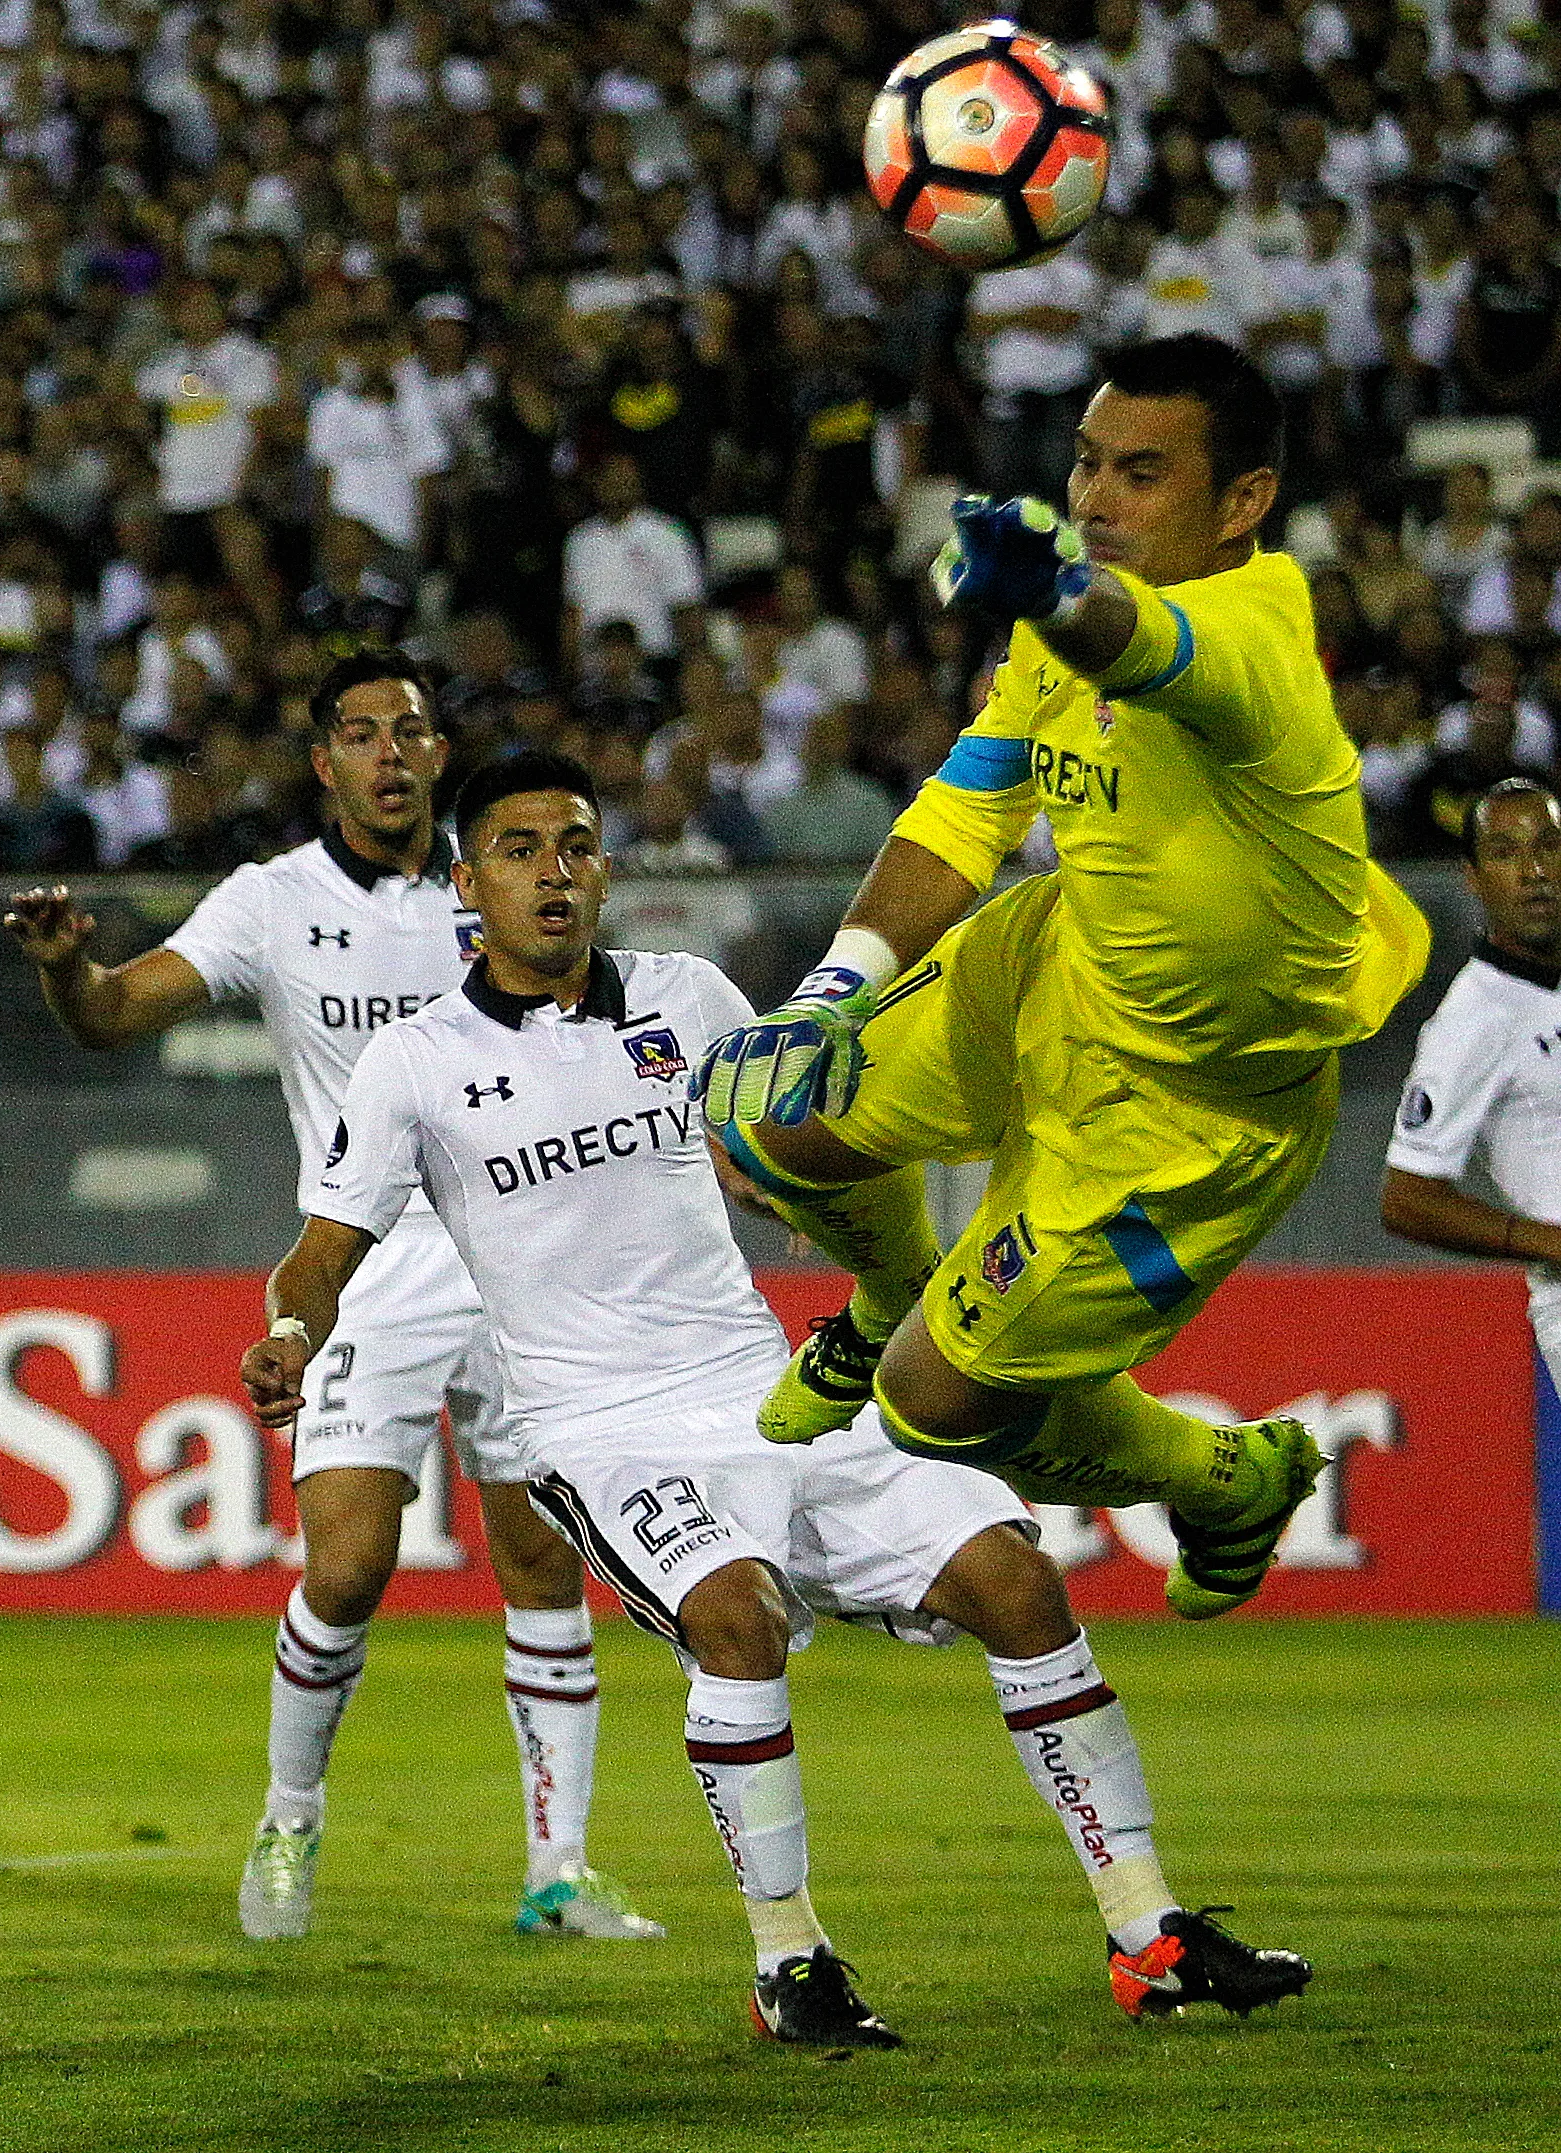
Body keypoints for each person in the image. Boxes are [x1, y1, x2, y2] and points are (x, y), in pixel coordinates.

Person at [243, 746, 1313, 2046]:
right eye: (519, 850)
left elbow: (777, 1135)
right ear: (466, 884)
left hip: (764, 1390)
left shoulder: (689, 998)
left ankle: (1146, 1931)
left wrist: (806, 1190)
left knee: (1018, 1581)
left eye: (576, 844)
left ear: (606, 868)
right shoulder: (414, 1061)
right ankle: (790, 1962)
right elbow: (324, 1245)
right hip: (600, 1432)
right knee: (736, 1624)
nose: (554, 873)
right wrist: (294, 1330)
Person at [689, 335, 1429, 1620]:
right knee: (765, 1116)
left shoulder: (1251, 642)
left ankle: (1220, 1476)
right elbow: (970, 802)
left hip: (1190, 1110)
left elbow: (1141, 644)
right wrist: (829, 988)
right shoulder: (1066, 626)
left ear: (1241, 502)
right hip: (1054, 956)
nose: (1095, 499)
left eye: (1141, 474)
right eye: (1086, 462)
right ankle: (886, 1290)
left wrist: (1055, 596)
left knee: (935, 1406)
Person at [3, 651, 660, 1946]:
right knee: (350, 1563)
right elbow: (117, 1013)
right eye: (361, 735)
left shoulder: (503, 879)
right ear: (324, 764)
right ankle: (290, 1813)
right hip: (365, 1263)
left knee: (541, 1559)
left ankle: (558, 1870)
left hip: (523, 1258)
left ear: (434, 750)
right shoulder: (271, 903)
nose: (390, 755)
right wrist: (66, 970)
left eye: (410, 730)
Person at [1380, 781, 1561, 1365]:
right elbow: (1407, 1198)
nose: (1534, 870)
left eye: (1549, 846)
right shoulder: (1471, 1020)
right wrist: (1550, 1242)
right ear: (1474, 878)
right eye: (1506, 854)